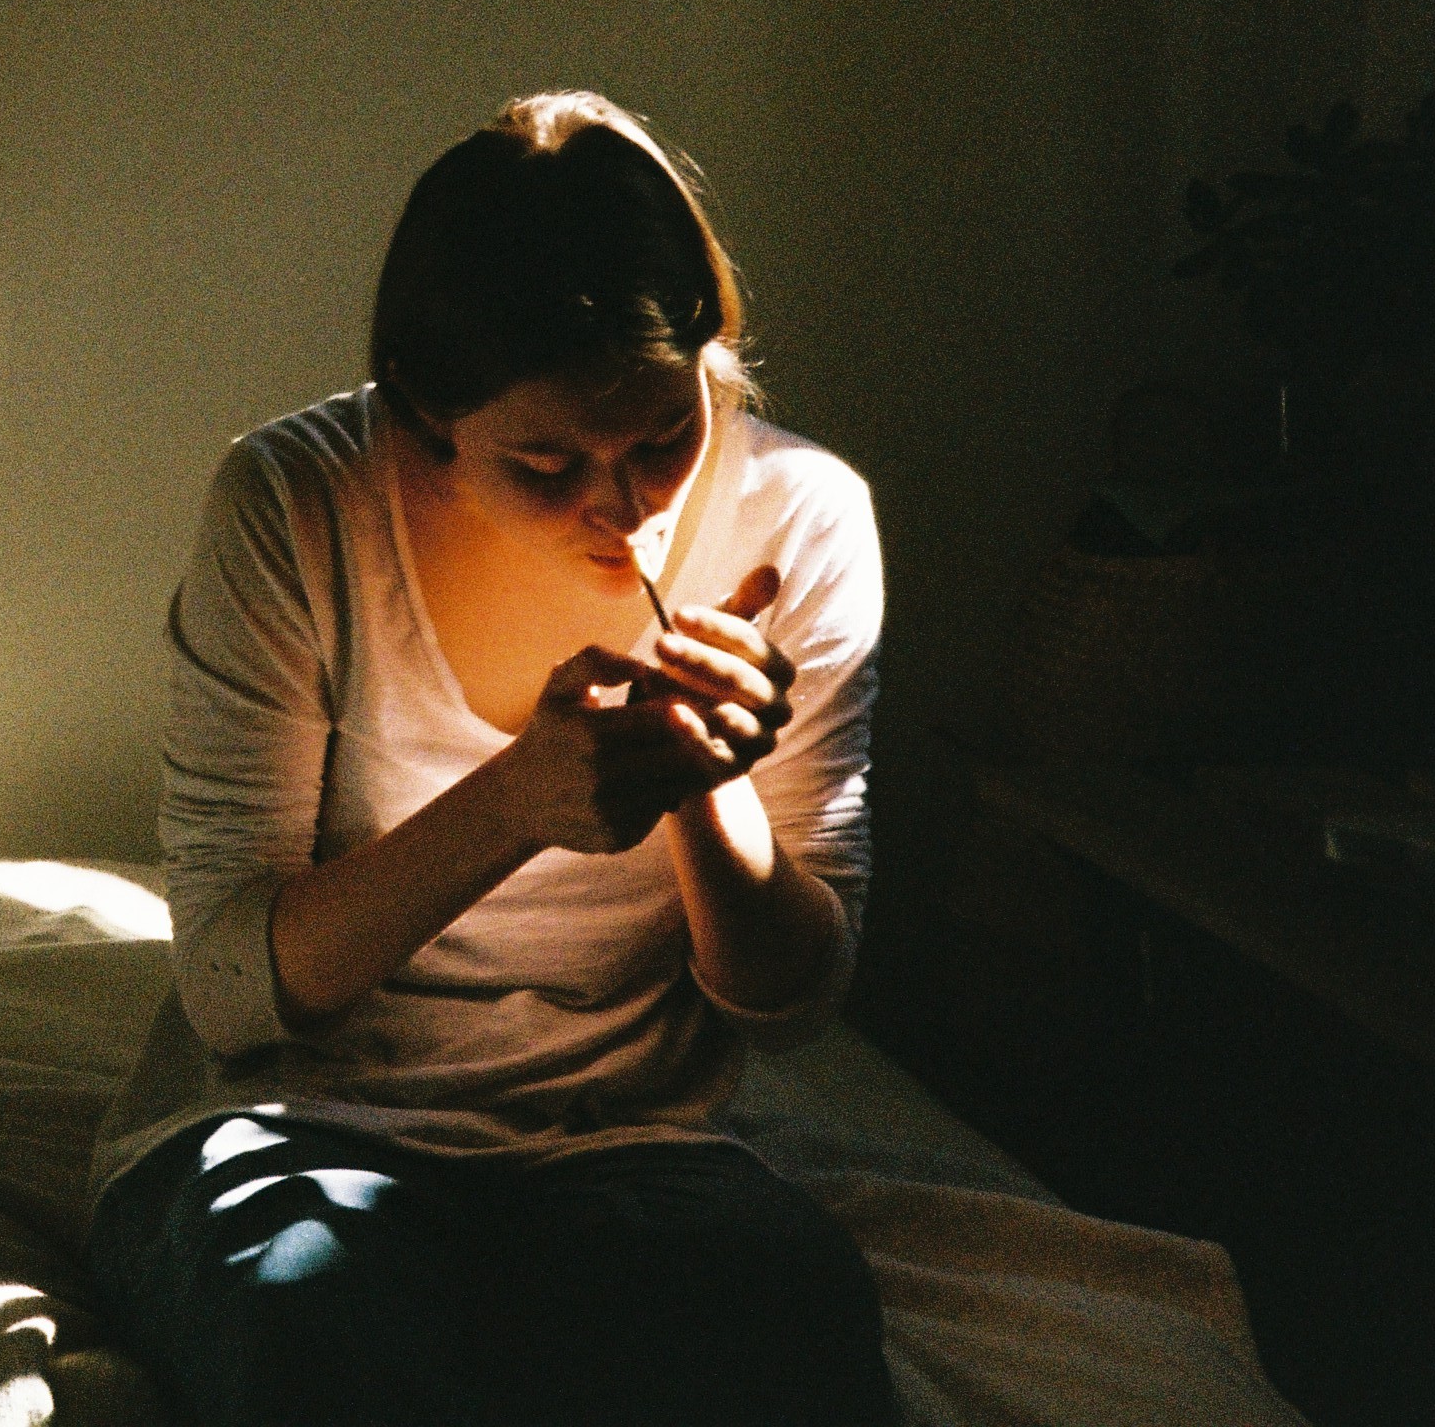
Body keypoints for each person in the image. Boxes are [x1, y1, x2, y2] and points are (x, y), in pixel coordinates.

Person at [86, 92, 898, 1427]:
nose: (622, 503)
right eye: (545, 462)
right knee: (311, 1340)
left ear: (711, 356)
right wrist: (516, 803)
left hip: (637, 1145)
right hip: (304, 1127)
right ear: (424, 409)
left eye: (662, 438)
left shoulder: (799, 521)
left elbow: (794, 1005)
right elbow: (230, 992)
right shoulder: (296, 506)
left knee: (792, 1333)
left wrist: (703, 784)